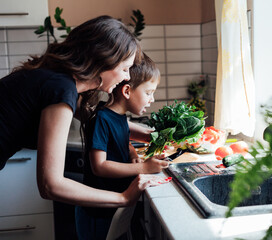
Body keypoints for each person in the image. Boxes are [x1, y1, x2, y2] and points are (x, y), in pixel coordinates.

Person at [0, 16, 161, 211]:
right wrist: (123, 198)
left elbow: (93, 116)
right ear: (104, 60)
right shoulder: (61, 88)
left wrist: (150, 136)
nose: (127, 77)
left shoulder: (61, 80)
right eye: (125, 68)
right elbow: (51, 185)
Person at [76, 53, 169, 240]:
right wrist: (143, 167)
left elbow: (122, 137)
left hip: (112, 205)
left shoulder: (118, 117)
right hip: (96, 212)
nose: (151, 99)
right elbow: (99, 166)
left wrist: (132, 152)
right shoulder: (101, 119)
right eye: (149, 92)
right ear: (127, 91)